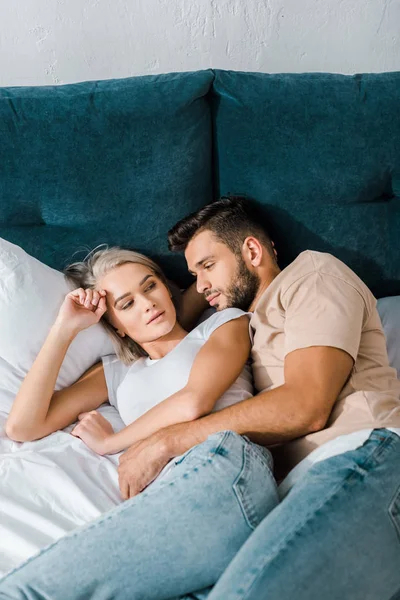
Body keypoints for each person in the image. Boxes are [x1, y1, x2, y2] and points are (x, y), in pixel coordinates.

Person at [1, 196, 400, 600]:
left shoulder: (295, 286)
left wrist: (150, 443)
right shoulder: (136, 363)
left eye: (206, 267)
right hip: (285, 489)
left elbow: (301, 406)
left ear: (252, 250)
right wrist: (68, 328)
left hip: (361, 451)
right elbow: (22, 426)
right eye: (193, 274)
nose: (202, 285)